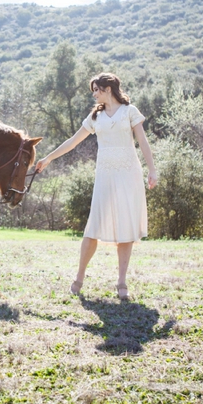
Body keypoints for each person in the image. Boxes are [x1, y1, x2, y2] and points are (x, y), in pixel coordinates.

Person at [35, 73, 157, 300]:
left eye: (97, 89)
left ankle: (121, 282)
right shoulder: (95, 117)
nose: (94, 94)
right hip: (105, 176)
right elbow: (72, 142)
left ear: (108, 89)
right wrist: (49, 158)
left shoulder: (130, 112)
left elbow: (143, 142)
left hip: (129, 174)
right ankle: (79, 278)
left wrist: (152, 170)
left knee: (126, 228)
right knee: (93, 227)